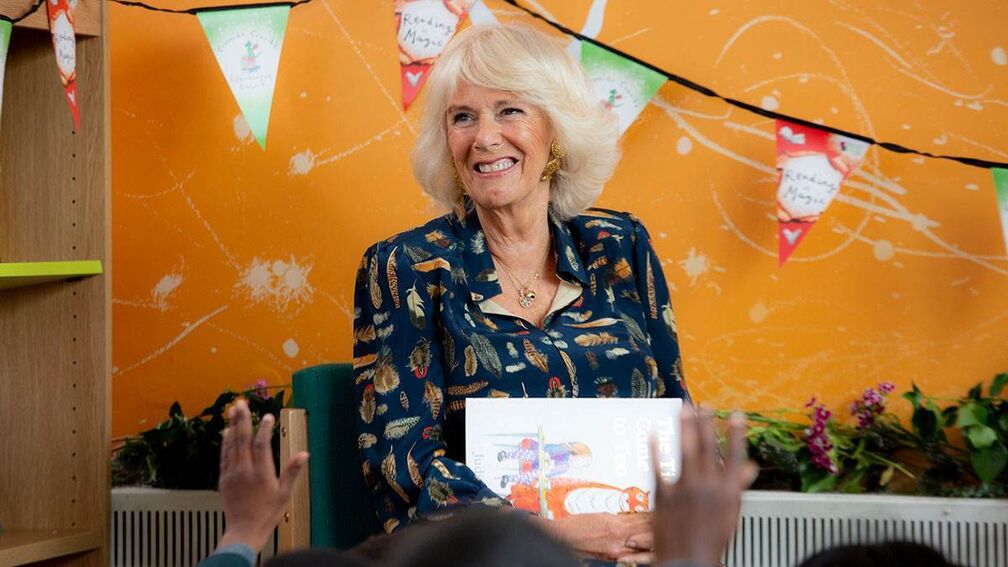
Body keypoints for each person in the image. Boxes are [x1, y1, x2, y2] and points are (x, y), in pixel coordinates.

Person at [352, 23, 690, 563]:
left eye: (510, 110)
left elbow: (679, 417)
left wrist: (674, 528)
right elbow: (404, 468)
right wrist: (564, 536)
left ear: (555, 131)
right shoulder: (406, 268)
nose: (484, 137)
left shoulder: (621, 247)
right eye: (463, 117)